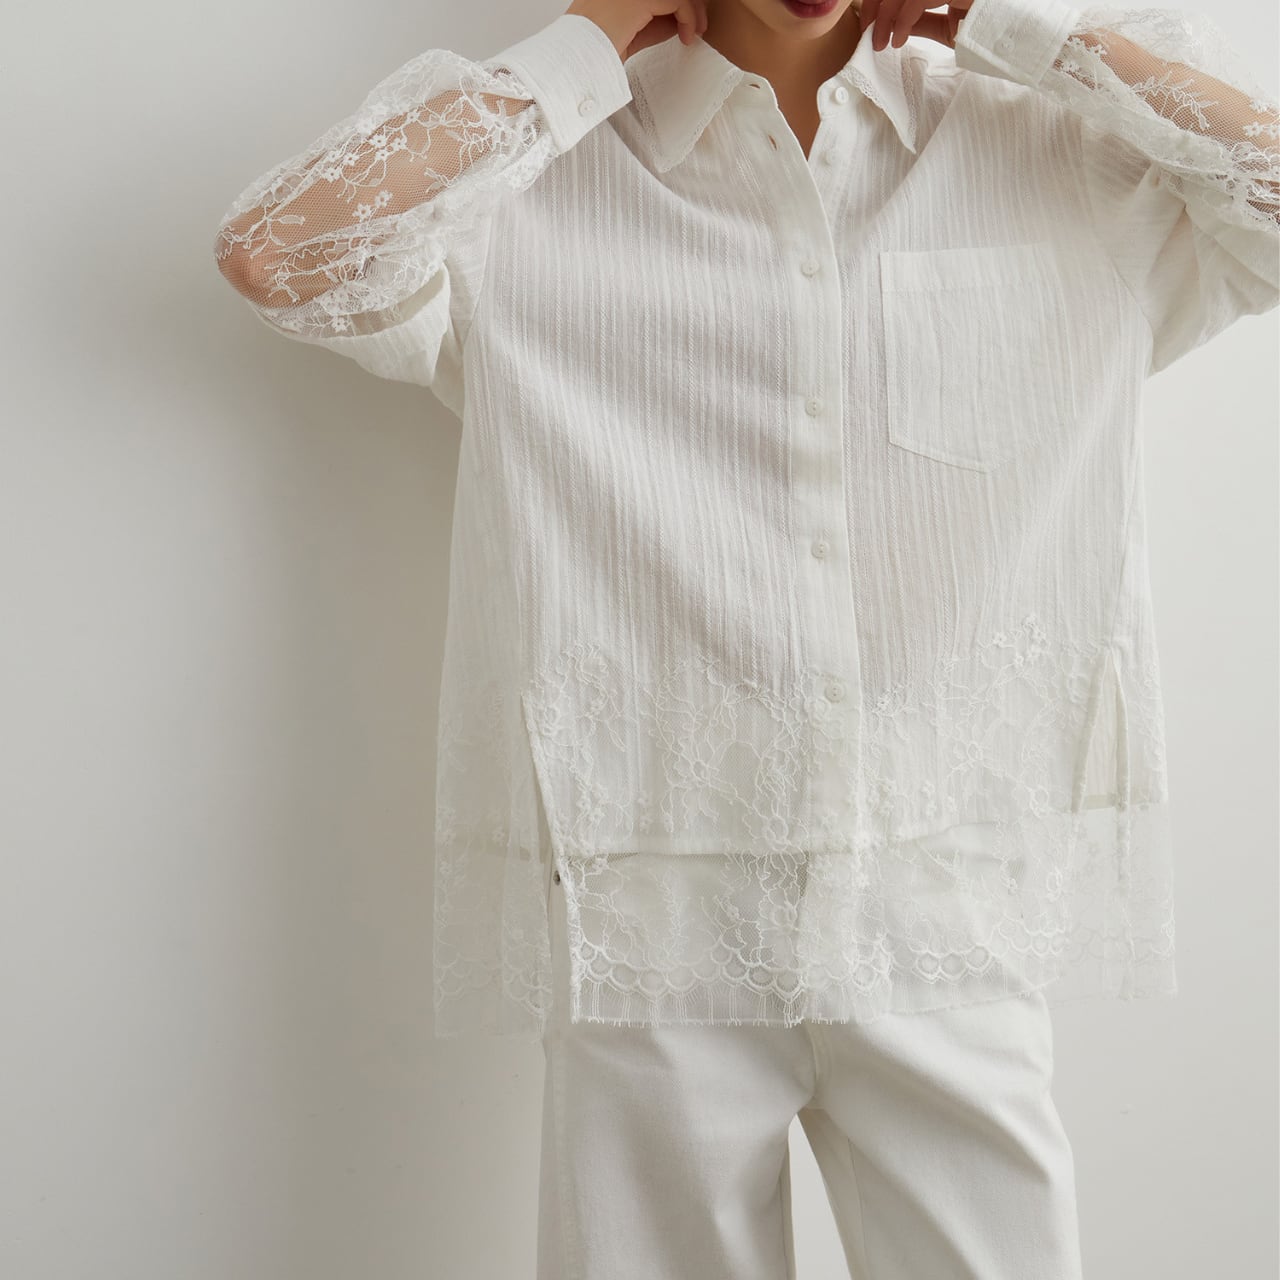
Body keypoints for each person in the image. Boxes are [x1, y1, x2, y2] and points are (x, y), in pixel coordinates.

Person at [213, 0, 1278, 1275]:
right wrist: (588, 40)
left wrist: (1017, 24)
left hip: (945, 910)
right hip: (650, 914)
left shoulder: (1057, 154)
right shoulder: (528, 185)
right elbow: (280, 255)